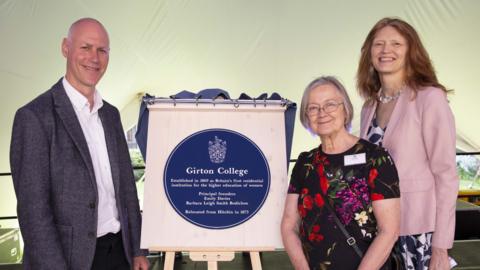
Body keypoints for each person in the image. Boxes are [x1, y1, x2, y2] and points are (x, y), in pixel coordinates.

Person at [10, 18, 149, 270]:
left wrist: (138, 249)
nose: (94, 58)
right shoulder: (34, 117)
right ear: (65, 48)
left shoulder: (111, 115)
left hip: (120, 254)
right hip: (69, 260)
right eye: (85, 47)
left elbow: (127, 188)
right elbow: (33, 212)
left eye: (102, 50)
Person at [357, 17, 459, 270]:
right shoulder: (369, 106)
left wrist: (440, 247)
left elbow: (446, 175)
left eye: (396, 43)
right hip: (378, 231)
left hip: (420, 231)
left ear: (411, 50)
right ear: (369, 53)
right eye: (378, 44)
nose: (385, 50)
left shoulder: (430, 99)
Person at [281, 76, 400, 270]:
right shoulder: (305, 163)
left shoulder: (375, 158)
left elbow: (389, 230)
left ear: (345, 109)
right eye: (313, 108)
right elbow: (288, 226)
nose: (322, 113)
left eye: (330, 105)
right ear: (306, 116)